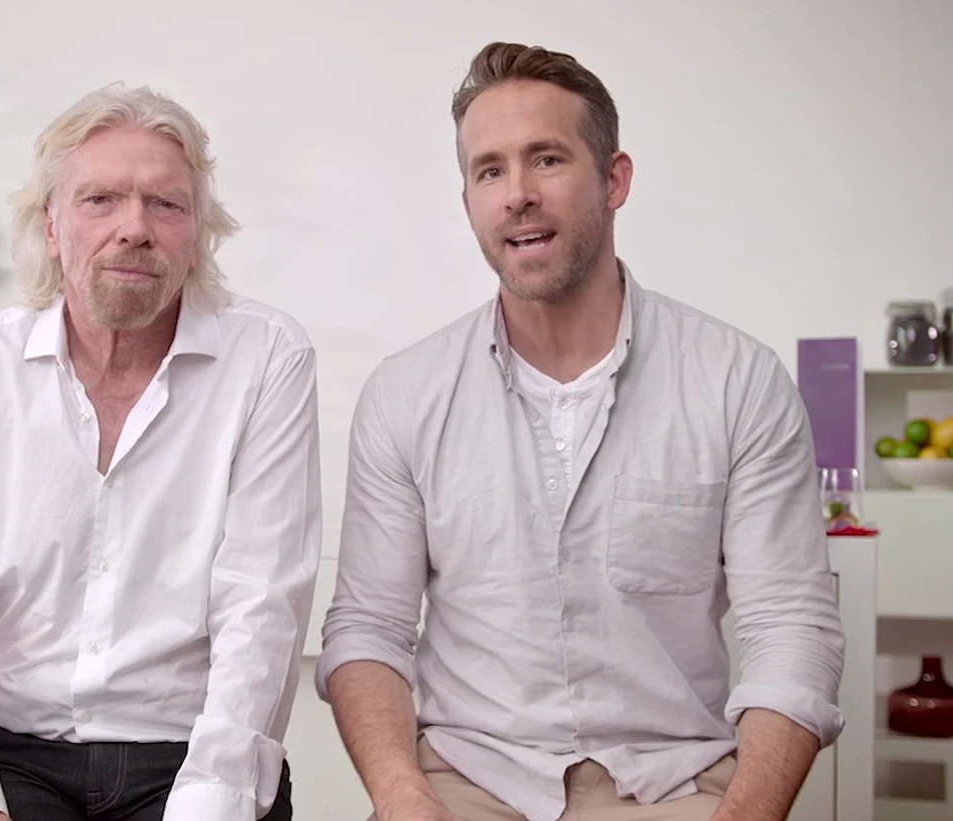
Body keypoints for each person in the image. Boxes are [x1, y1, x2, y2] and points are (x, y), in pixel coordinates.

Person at [317, 41, 845, 821]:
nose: (517, 195)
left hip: (674, 787)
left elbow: (790, 630)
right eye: (489, 171)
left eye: (547, 159)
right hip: (465, 783)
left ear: (614, 179)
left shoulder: (739, 381)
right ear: (468, 203)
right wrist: (401, 797)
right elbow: (369, 628)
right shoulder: (405, 395)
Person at [0, 83, 322, 821]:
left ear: (197, 232)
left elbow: (262, 606)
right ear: (52, 226)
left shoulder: (268, 357)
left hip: (193, 755)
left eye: (166, 204)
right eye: (100, 200)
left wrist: (209, 803)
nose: (135, 228)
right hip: (15, 755)